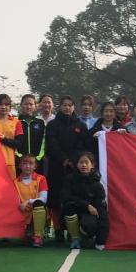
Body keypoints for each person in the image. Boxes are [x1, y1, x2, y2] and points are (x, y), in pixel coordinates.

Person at [45, 96, 87, 240]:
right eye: (64, 105)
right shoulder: (52, 124)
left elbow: (82, 145)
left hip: (74, 168)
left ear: (74, 107)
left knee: (72, 199)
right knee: (55, 200)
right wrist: (63, 159)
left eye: (70, 105)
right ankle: (57, 229)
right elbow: (51, 144)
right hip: (56, 167)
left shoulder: (81, 125)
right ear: (60, 107)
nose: (67, 108)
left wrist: (73, 160)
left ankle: (71, 230)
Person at [62, 150, 108, 250]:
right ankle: (75, 238)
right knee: (68, 207)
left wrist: (100, 241)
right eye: (81, 162)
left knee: (89, 225)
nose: (83, 165)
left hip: (89, 216)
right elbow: (66, 197)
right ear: (77, 165)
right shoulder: (70, 179)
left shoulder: (98, 185)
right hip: (74, 210)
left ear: (92, 165)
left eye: (86, 162)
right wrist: (87, 205)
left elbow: (102, 211)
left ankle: (86, 236)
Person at [15, 153, 49, 246]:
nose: (27, 166)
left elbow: (44, 199)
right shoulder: (15, 182)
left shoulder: (41, 179)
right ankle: (27, 231)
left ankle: (38, 236)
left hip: (37, 211)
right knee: (25, 238)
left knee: (39, 204)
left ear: (35, 166)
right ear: (20, 166)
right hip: (22, 212)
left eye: (31, 163)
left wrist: (28, 201)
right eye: (24, 163)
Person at [0, 94, 24, 177]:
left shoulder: (17, 122)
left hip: (9, 161)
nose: (3, 107)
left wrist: (4, 139)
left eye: (6, 105)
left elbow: (19, 143)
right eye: (0, 104)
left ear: (10, 107)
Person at [16, 94, 47, 171]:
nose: (28, 107)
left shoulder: (40, 122)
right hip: (20, 161)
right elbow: (14, 140)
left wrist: (38, 158)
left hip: (37, 162)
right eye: (26, 104)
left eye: (31, 104)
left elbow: (43, 141)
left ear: (35, 106)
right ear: (21, 105)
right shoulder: (15, 122)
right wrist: (19, 156)